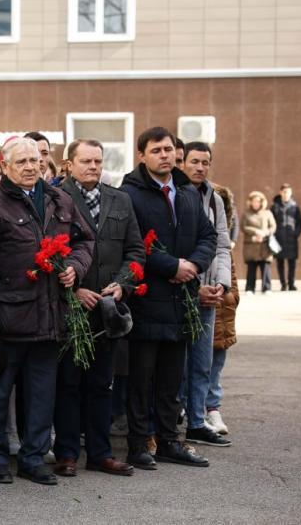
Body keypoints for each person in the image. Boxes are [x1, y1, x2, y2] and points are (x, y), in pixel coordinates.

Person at [0, 137, 93, 486]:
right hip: (7, 317)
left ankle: (33, 459)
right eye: (21, 161)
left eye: (34, 160)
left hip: (50, 316)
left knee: (42, 395)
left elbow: (85, 240)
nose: (29, 167)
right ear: (4, 165)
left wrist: (75, 267)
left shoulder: (59, 199)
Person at [119, 127, 217, 470]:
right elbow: (132, 244)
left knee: (171, 381)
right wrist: (172, 265)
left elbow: (208, 235)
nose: (165, 155)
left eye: (168, 150)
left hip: (181, 302)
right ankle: (137, 444)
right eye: (156, 150)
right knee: (141, 380)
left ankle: (168, 441)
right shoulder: (130, 195)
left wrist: (193, 265)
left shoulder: (187, 192)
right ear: (142, 155)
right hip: (147, 301)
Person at [53, 138, 143, 478]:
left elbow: (135, 251)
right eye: (86, 161)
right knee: (68, 384)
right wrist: (74, 290)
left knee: (102, 384)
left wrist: (123, 284)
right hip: (70, 308)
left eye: (98, 161)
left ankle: (101, 454)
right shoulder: (55, 198)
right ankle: (66, 454)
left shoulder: (120, 200)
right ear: (69, 164)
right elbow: (47, 251)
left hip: (107, 310)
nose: (93, 167)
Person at [176, 142, 232, 448]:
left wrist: (221, 284)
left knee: (202, 362)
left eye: (205, 162)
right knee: (175, 362)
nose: (200, 167)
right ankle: (173, 417)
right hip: (179, 289)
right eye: (194, 161)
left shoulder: (215, 199)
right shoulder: (174, 193)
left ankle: (197, 421)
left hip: (210, 292)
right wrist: (192, 285)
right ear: (183, 163)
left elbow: (222, 245)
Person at [208, 183, 239, 436]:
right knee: (194, 365)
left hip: (222, 310)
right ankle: (194, 408)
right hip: (203, 304)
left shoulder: (223, 243)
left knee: (215, 364)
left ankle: (212, 408)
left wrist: (230, 297)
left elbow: (232, 277)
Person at [241, 191, 277, 294]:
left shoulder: (267, 213)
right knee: (251, 267)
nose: (256, 203)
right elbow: (243, 227)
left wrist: (264, 233)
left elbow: (273, 226)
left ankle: (267, 288)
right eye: (254, 201)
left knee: (265, 267)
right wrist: (255, 232)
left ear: (262, 202)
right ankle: (249, 288)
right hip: (251, 244)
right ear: (250, 202)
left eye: (258, 201)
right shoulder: (246, 213)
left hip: (264, 245)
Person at [271, 184, 301, 291]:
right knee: (280, 262)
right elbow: (271, 221)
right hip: (279, 238)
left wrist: (296, 233)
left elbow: (300, 222)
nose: (286, 194)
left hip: (292, 239)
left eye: (288, 192)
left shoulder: (295, 206)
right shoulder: (274, 206)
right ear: (280, 192)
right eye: (284, 192)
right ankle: (283, 284)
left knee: (292, 262)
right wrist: (274, 234)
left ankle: (291, 284)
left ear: (291, 193)